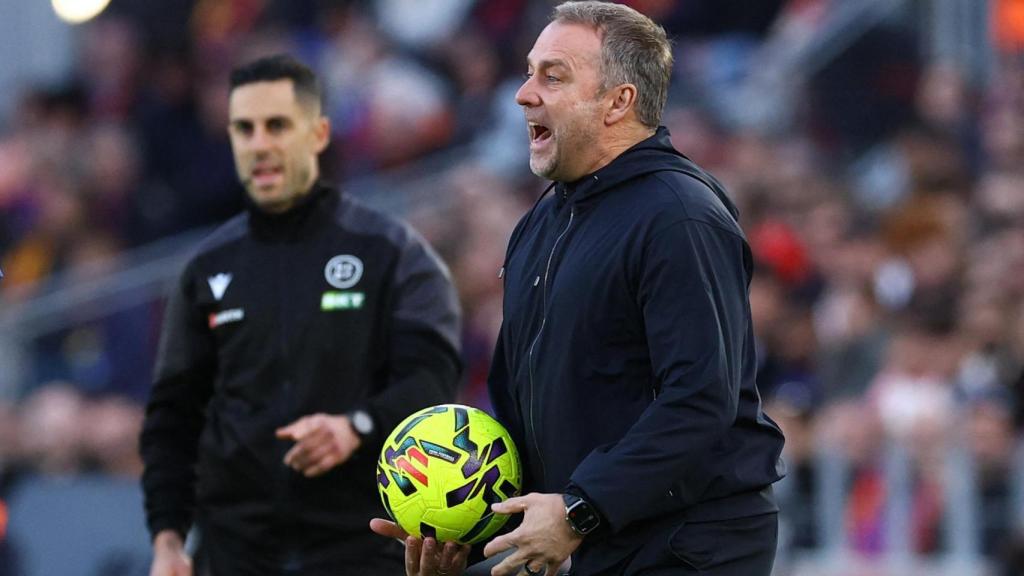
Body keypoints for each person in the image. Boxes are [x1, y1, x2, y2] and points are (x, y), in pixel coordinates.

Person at [372, 2, 785, 575]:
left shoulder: (678, 216)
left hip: (688, 546)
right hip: (598, 536)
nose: (523, 94)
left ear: (620, 101)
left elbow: (698, 400)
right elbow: (524, 408)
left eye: (553, 76)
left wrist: (580, 510)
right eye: (528, 71)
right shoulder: (539, 223)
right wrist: (472, 527)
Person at [140, 54, 462, 576]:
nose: (260, 143)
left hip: (363, 549)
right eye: (244, 129)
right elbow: (172, 418)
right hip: (233, 554)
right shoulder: (204, 270)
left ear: (318, 133)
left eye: (277, 125)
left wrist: (355, 427)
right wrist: (167, 539)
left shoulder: (392, 251)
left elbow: (433, 382)